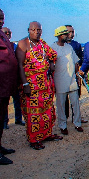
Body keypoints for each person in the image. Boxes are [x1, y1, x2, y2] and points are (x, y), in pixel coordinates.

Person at [16, 21, 62, 150]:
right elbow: (19, 65)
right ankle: (34, 139)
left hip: (45, 85)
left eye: (39, 30)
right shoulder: (23, 44)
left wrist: (52, 63)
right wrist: (25, 83)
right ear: (29, 30)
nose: (37, 32)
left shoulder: (43, 44)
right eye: (34, 30)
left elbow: (53, 54)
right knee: (33, 114)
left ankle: (46, 134)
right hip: (31, 85)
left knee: (47, 111)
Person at [51, 26, 83, 135]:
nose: (67, 36)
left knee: (76, 104)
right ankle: (62, 125)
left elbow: (76, 63)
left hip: (72, 80)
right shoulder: (52, 48)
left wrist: (78, 77)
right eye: (65, 34)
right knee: (61, 105)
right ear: (60, 36)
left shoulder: (69, 47)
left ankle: (77, 123)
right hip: (59, 81)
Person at [0, 9, 18, 165]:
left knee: (1, 117)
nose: (1, 21)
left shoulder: (3, 36)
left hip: (5, 86)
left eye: (2, 18)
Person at [1, 27, 25, 129]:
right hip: (4, 79)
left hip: (15, 78)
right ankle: (4, 122)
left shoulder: (14, 46)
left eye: (9, 32)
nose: (7, 34)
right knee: (4, 102)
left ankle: (18, 119)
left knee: (17, 100)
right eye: (5, 32)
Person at [65, 25, 87, 123]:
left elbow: (82, 59)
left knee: (76, 97)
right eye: (69, 32)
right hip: (64, 76)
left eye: (72, 32)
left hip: (75, 75)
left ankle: (76, 117)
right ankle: (64, 119)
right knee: (64, 99)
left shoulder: (77, 45)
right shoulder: (60, 45)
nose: (71, 34)